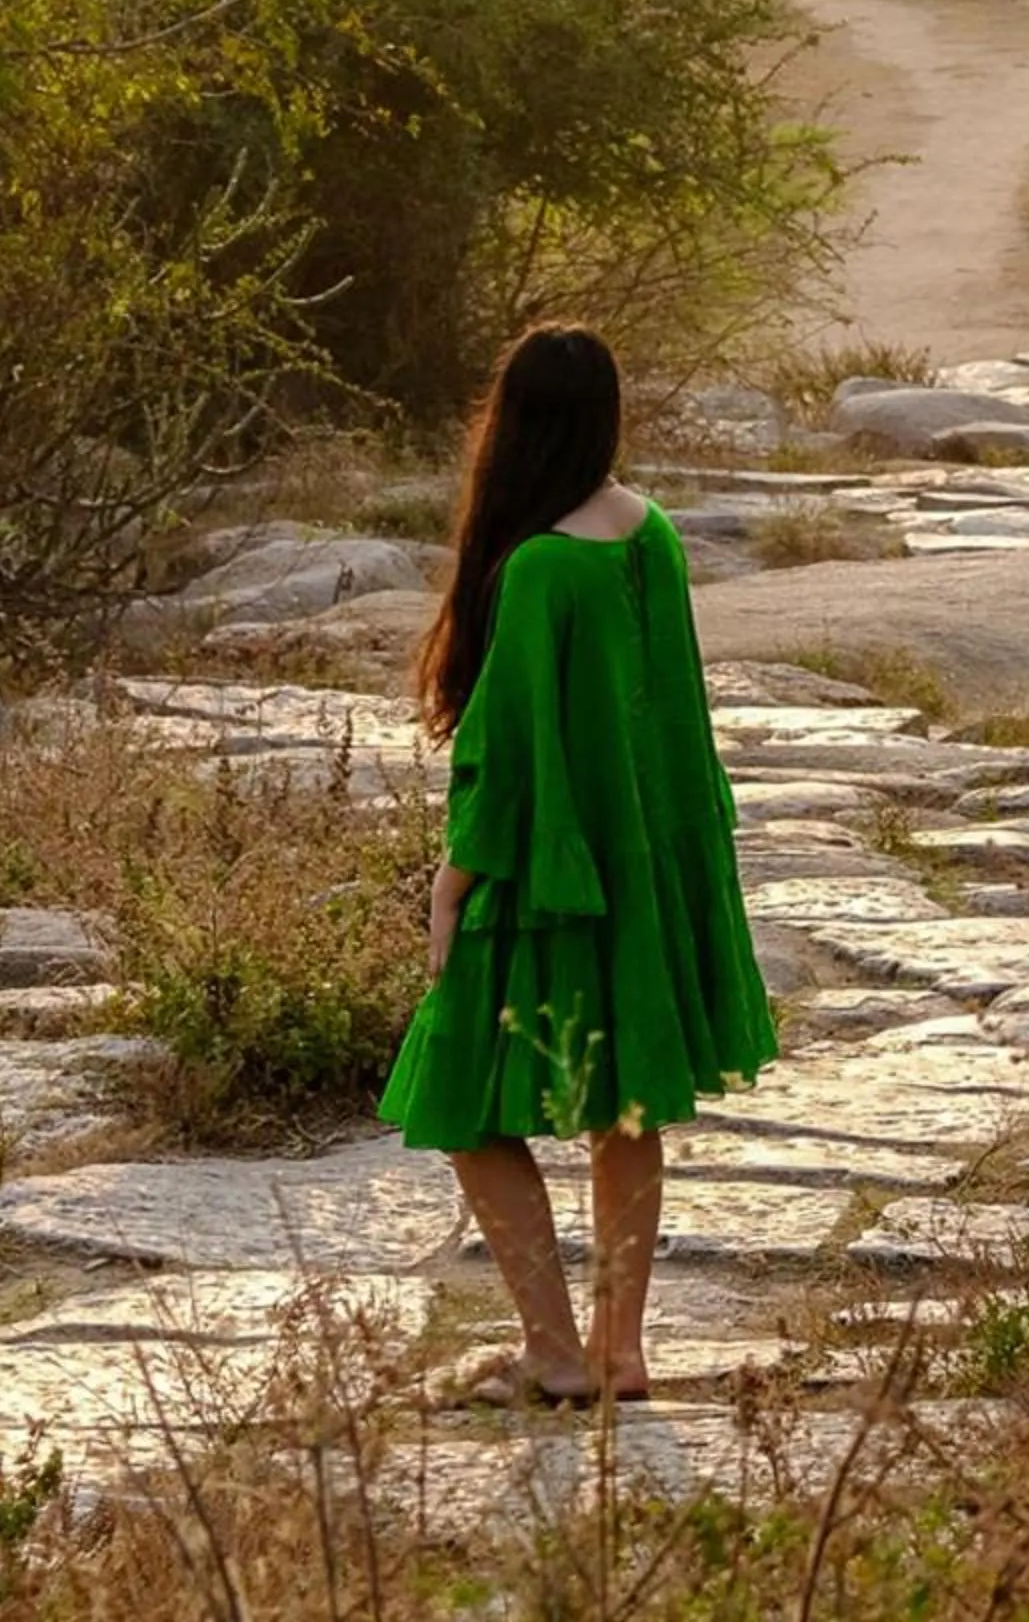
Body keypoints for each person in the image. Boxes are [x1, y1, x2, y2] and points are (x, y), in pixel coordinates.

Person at [379, 323, 776, 1405]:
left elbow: (505, 756)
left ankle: (555, 1352)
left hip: (550, 884)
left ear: (510, 427)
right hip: (644, 877)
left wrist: (452, 885)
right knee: (626, 1109)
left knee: (460, 1102)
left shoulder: (542, 567)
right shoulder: (650, 532)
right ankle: (619, 1350)